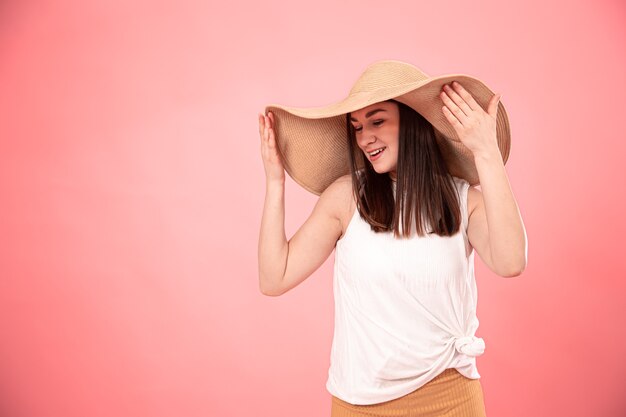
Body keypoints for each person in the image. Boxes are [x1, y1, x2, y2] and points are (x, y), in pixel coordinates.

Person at [257, 60, 527, 417]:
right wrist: (276, 182)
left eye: (378, 121)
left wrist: (486, 153)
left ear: (413, 121)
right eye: (357, 127)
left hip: (451, 399)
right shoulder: (347, 198)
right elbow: (274, 278)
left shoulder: (464, 200)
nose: (365, 137)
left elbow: (511, 262)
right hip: (361, 405)